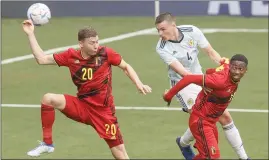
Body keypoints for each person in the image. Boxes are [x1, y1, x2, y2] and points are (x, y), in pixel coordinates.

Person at [22, 19, 152, 159]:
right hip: (82, 106)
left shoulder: (106, 53)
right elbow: (41, 59)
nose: (96, 46)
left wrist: (139, 83)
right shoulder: (71, 56)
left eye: (97, 41)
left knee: (120, 153)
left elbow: (126, 66)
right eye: (92, 43)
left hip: (103, 112)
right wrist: (30, 34)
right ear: (81, 44)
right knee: (48, 98)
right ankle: (47, 144)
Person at [155, 12, 249, 159]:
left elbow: (210, 52)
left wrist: (224, 70)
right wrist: (203, 82)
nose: (160, 33)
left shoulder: (192, 31)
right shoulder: (161, 48)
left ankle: (243, 157)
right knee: (201, 114)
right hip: (182, 84)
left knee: (224, 116)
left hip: (201, 78)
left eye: (162, 29)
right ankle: (184, 143)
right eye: (158, 30)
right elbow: (183, 72)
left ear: (173, 25)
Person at [163, 54, 248, 159]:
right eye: (234, 68)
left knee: (206, 156)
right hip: (201, 121)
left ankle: (183, 144)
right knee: (213, 156)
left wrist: (222, 62)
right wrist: (168, 95)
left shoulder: (228, 68)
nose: (237, 72)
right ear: (230, 67)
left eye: (240, 69)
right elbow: (189, 79)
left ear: (245, 71)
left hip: (211, 122)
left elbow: (220, 64)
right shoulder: (220, 81)